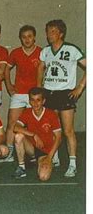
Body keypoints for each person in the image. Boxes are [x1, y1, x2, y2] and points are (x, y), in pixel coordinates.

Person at [37, 19, 86, 177]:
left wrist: (80, 86)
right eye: (48, 31)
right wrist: (39, 89)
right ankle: (55, 157)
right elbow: (40, 68)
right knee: (52, 129)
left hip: (65, 93)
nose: (49, 35)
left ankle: (72, 164)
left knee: (68, 130)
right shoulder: (45, 51)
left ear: (61, 33)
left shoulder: (71, 49)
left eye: (53, 32)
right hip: (49, 93)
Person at [3, 25, 41, 162]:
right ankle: (9, 153)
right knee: (12, 123)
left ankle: (34, 153)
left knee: (34, 126)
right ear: (20, 38)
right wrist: (9, 86)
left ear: (34, 37)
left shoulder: (41, 52)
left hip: (35, 95)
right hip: (19, 94)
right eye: (24, 37)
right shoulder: (15, 53)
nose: (27, 39)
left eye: (30, 36)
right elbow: (6, 70)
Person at [12, 87, 62, 181]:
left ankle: (52, 159)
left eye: (38, 100)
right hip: (33, 148)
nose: (35, 103)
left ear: (43, 101)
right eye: (32, 100)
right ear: (29, 101)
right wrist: (34, 135)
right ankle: (21, 168)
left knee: (43, 177)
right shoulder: (27, 112)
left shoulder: (51, 114)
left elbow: (58, 138)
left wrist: (49, 157)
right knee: (18, 136)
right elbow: (15, 127)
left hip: (47, 151)